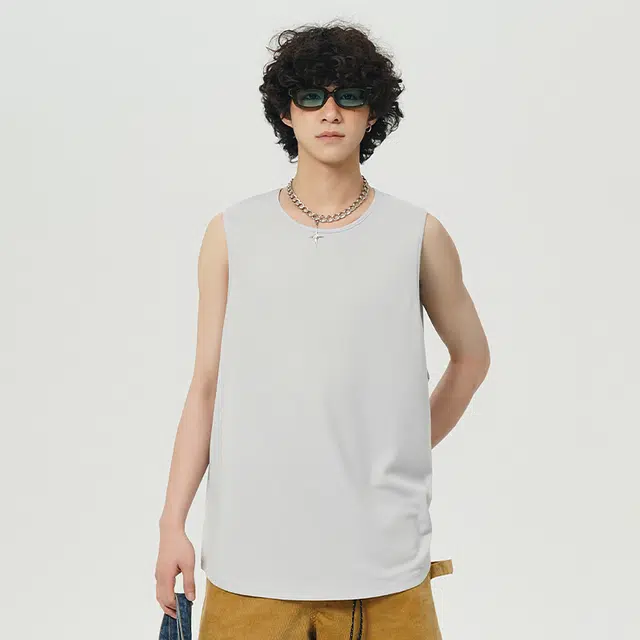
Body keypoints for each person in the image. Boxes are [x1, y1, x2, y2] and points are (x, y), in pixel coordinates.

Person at [156, 20, 490, 640]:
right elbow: (205, 385)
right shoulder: (232, 232)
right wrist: (171, 523)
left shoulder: (417, 233)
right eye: (312, 96)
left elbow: (471, 360)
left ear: (372, 113)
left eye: (349, 96)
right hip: (251, 565)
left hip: (384, 567)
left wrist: (400, 445)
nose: (330, 112)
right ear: (287, 112)